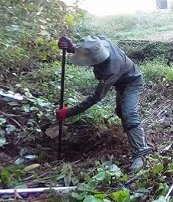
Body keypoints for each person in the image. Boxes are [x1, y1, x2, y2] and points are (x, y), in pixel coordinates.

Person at [56, 35, 152, 171]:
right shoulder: (101, 41)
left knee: (129, 113)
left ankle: (141, 154)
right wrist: (73, 48)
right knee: (121, 112)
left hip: (133, 82)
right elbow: (90, 47)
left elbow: (96, 97)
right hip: (121, 83)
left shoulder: (112, 69)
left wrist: (69, 112)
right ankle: (133, 132)